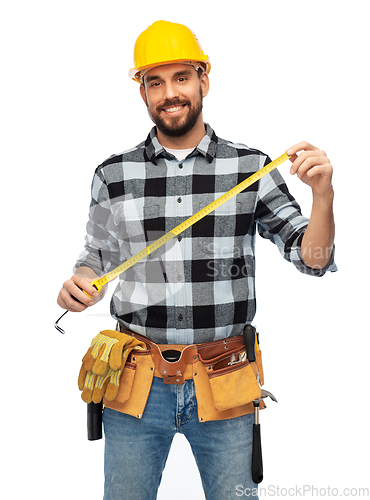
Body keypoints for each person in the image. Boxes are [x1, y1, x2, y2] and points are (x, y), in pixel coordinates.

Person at [57, 20, 336, 500]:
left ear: (204, 80)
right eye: (155, 81)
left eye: (181, 77)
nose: (170, 93)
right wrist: (79, 283)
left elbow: (311, 258)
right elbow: (96, 256)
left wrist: (323, 197)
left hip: (224, 379)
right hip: (134, 383)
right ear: (142, 91)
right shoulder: (113, 173)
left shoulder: (251, 168)